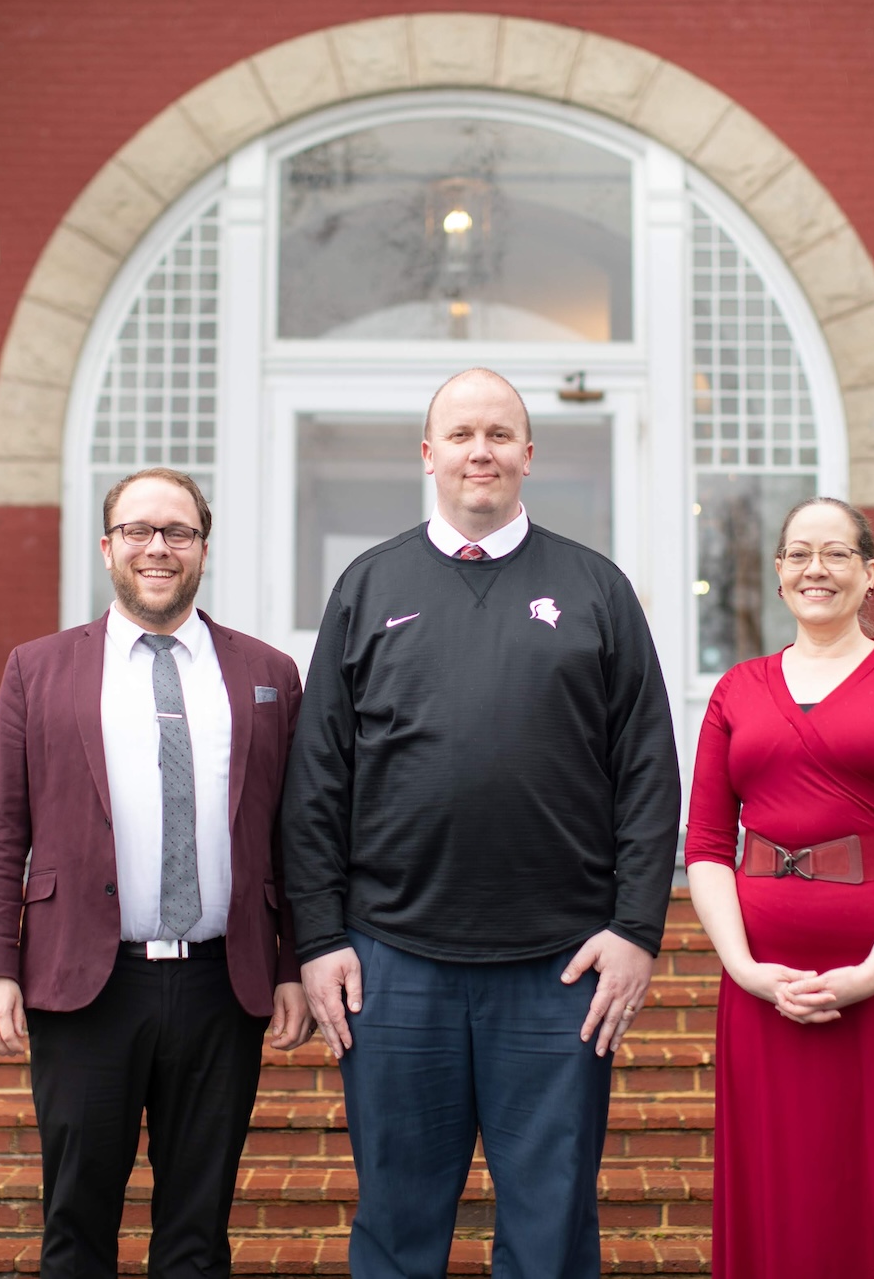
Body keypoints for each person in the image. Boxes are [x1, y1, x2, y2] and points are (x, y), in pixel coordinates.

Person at [282, 368, 682, 1279]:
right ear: (428, 455)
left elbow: (648, 772)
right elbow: (317, 780)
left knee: (551, 1230)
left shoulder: (596, 588)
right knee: (396, 1226)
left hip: (559, 968)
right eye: (461, 434)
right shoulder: (368, 584)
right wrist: (318, 936)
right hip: (392, 964)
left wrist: (635, 928)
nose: (481, 451)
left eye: (499, 434)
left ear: (529, 455)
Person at [0, 466, 314, 1279]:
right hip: (85, 984)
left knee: (197, 1232)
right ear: (108, 547)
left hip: (223, 985)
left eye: (178, 531)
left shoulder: (268, 674)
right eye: (139, 530)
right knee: (76, 1224)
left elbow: (295, 834)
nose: (159, 547)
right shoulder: (38, 669)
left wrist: (295, 961)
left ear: (203, 548)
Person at [684, 496, 874, 1279]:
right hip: (763, 979)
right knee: (781, 1177)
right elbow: (706, 843)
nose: (817, 568)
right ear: (778, 573)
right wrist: (743, 967)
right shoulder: (737, 689)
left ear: (870, 572)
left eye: (837, 553)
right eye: (800, 553)